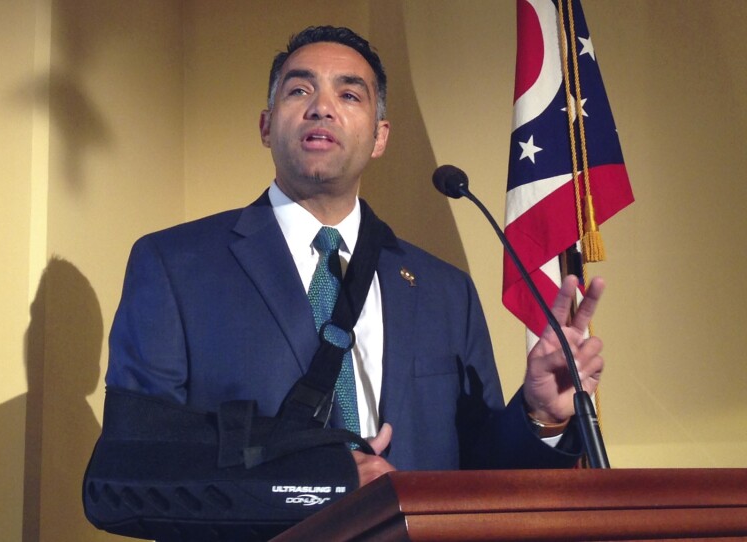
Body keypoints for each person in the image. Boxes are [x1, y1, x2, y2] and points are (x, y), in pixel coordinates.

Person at [105, 26, 605, 487]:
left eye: (348, 95)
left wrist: (542, 416)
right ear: (265, 126)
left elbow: (479, 477)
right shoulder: (176, 266)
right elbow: (141, 466)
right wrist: (319, 483)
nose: (322, 108)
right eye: (299, 90)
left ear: (380, 137)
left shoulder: (444, 292)